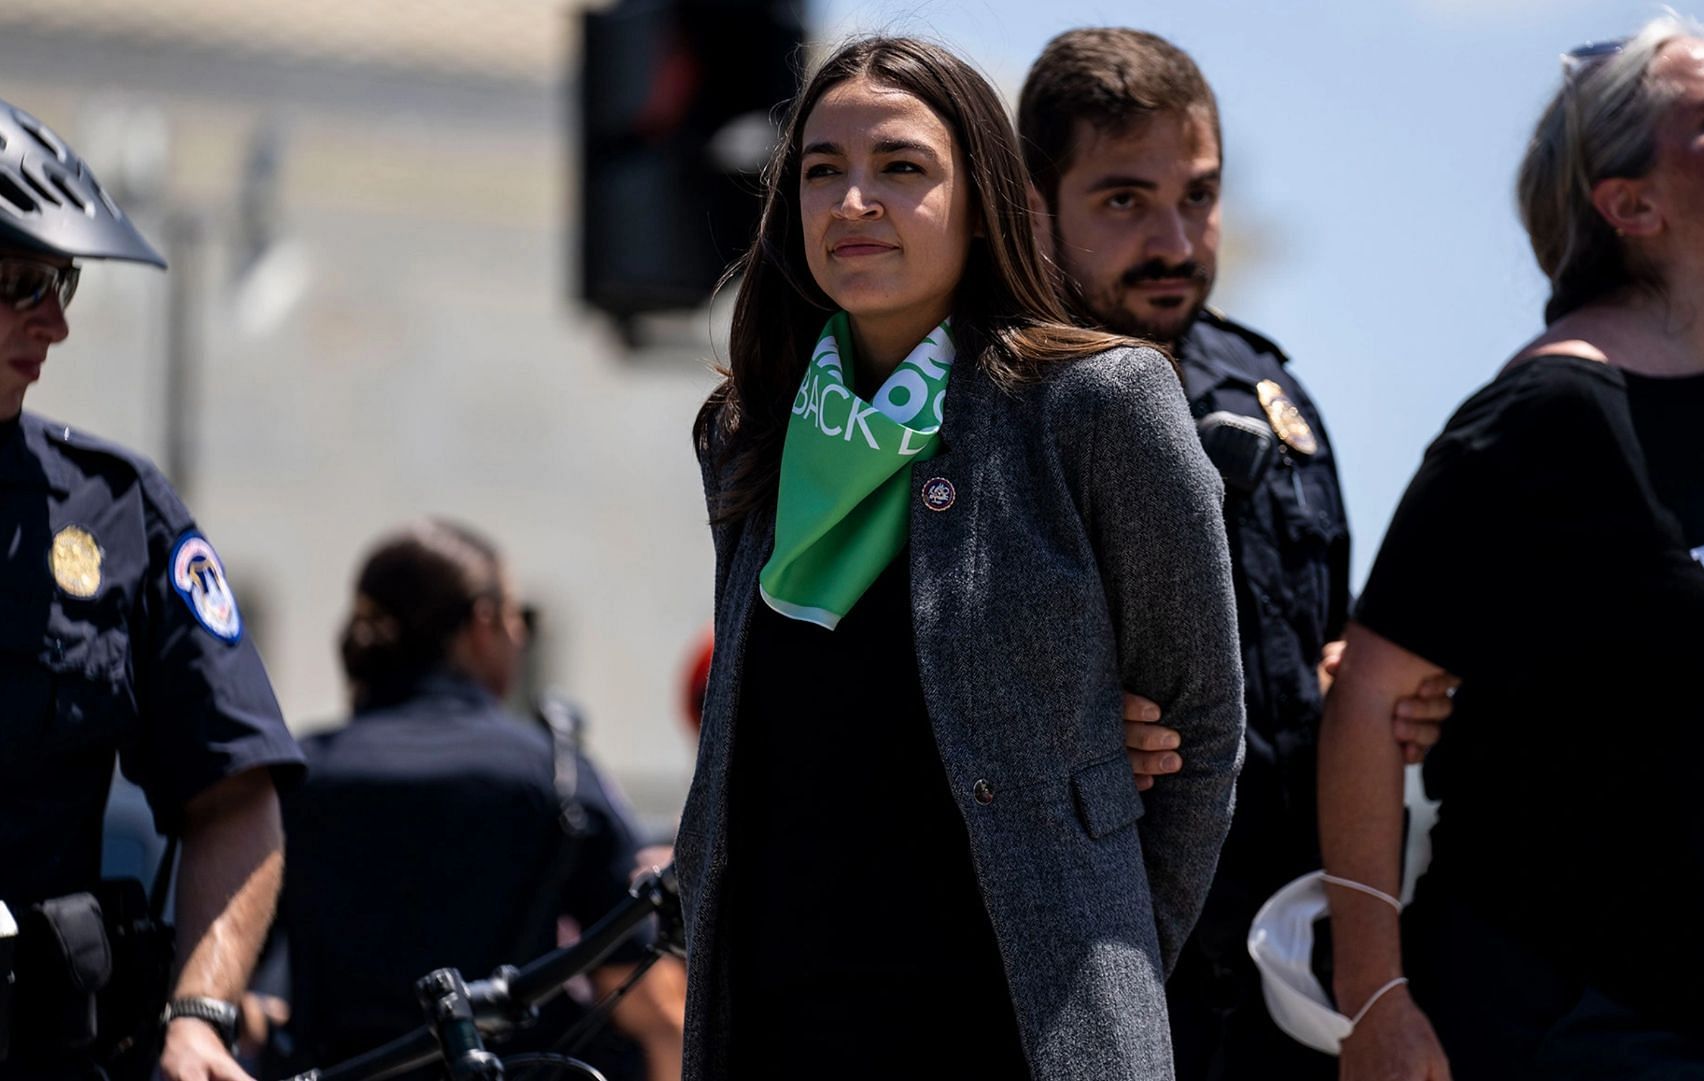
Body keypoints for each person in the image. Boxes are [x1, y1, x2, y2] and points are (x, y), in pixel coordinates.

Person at [1316, 16, 1704, 1080]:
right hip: (1564, 1025)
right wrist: (1376, 1000)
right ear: (1632, 205)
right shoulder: (1546, 419)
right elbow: (1366, 702)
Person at [683, 35, 1244, 1081]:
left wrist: (1099, 959)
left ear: (982, 197)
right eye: (822, 171)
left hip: (1012, 1036)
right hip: (779, 1029)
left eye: (901, 168)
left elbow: (1201, 732)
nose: (854, 201)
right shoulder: (746, 434)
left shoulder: (1100, 403)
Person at [1016, 28, 1456, 1079]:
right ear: (1034, 207)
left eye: (1200, 197)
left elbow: (1330, 647)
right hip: (1088, 984)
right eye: (1125, 201)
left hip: (1282, 987)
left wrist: (1390, 695)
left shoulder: (1272, 399)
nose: (1176, 239)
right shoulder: (994, 416)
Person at [0, 96, 304, 1081]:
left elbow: (235, 792)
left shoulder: (117, 510)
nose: (54, 322)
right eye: (19, 283)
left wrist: (200, 1016)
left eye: (65, 283)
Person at [273, 519, 681, 1079]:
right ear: (484, 622)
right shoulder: (553, 772)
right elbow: (649, 1002)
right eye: (520, 619)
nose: (520, 638)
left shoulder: (299, 772)